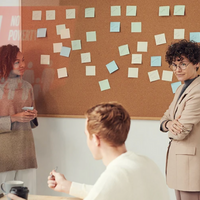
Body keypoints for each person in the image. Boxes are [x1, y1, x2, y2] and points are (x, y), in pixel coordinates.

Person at [47, 102, 170, 200]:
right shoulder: (144, 162)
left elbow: (104, 190)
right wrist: (67, 186)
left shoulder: (117, 174)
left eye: (87, 135)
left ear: (96, 139)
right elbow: (104, 191)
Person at [160, 39, 200, 200]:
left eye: (183, 64)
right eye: (175, 65)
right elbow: (165, 117)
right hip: (179, 166)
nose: (178, 70)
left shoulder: (198, 91)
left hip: (191, 166)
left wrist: (170, 129)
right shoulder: (181, 88)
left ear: (196, 63)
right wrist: (168, 124)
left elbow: (181, 132)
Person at [0, 44, 38, 194]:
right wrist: (14, 118)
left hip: (26, 149)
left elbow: (32, 123)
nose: (22, 65)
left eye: (23, 60)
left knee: (29, 195)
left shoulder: (28, 87)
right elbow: (14, 118)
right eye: (17, 62)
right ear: (5, 63)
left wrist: (32, 116)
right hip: (4, 152)